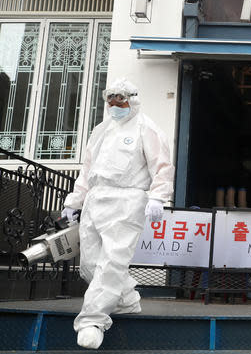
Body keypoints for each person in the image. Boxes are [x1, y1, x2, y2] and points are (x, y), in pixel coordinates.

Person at [62, 78, 174, 349]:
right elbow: (88, 170)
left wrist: (158, 197)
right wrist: (75, 201)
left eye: (120, 100)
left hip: (127, 200)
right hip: (96, 200)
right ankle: (126, 299)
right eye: (110, 99)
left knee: (112, 262)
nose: (115, 105)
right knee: (90, 265)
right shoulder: (101, 130)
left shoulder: (146, 128)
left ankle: (92, 320)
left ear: (132, 100)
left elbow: (162, 166)